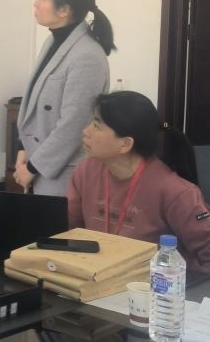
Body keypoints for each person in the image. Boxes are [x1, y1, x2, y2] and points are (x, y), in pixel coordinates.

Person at [68, 91, 210, 273]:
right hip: (95, 278)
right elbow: (68, 229)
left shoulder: (176, 192)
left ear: (125, 144)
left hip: (153, 286)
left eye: (96, 125)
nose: (86, 131)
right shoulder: (85, 171)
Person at [15, 0, 115, 196]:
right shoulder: (52, 42)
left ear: (64, 10)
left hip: (63, 170)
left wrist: (33, 167)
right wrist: (23, 147)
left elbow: (74, 124)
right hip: (38, 160)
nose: (36, 3)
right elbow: (35, 106)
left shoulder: (87, 55)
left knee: (59, 221)